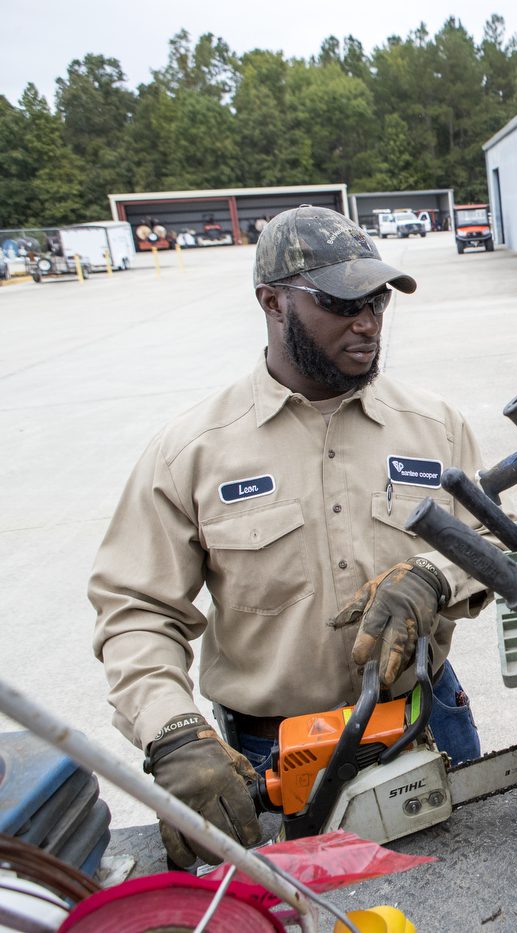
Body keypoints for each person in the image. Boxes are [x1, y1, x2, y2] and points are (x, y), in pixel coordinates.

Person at [90, 206, 495, 868]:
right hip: (268, 755)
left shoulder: (434, 426)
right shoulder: (194, 452)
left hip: (422, 720)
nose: (367, 322)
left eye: (377, 300)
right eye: (341, 303)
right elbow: (136, 612)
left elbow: (492, 543)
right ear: (271, 301)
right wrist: (175, 734)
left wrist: (434, 577)